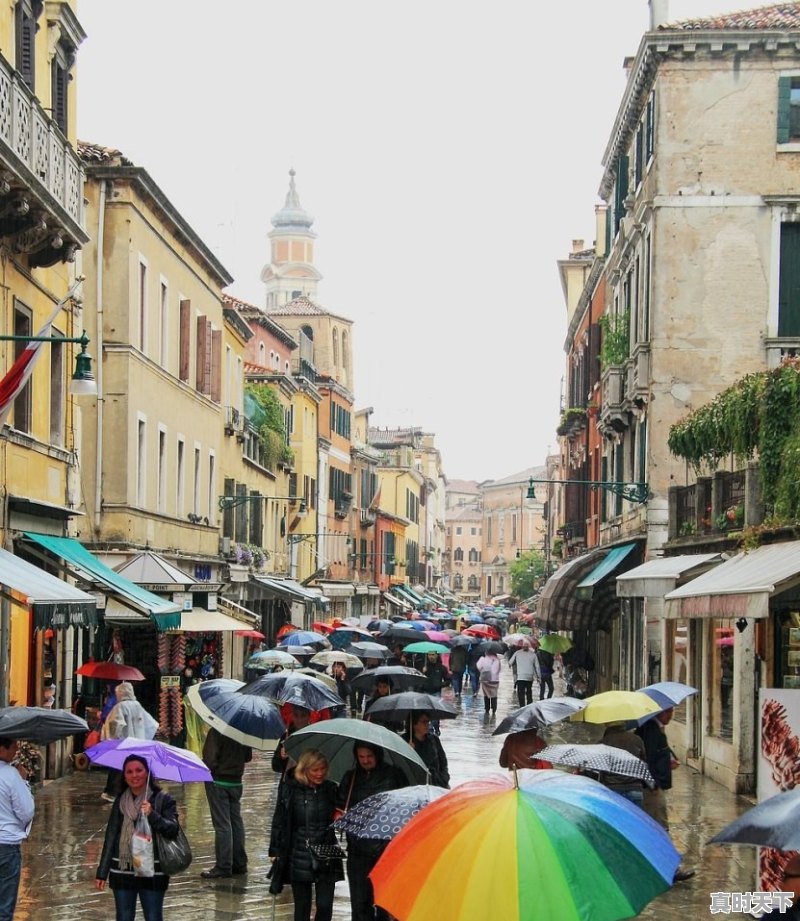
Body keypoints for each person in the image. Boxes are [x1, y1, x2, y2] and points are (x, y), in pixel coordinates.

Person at [95, 754, 180, 921]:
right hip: (122, 868)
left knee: (153, 916)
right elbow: (111, 835)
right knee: (123, 916)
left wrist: (152, 815)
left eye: (139, 770)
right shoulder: (120, 801)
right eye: (129, 772)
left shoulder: (163, 799)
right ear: (124, 776)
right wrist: (102, 872)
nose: (134, 775)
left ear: (147, 773)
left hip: (153, 870)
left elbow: (173, 829)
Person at [269, 749, 343, 921]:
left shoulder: (331, 789)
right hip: (299, 852)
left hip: (326, 852)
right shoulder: (291, 789)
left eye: (323, 769)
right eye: (315, 770)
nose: (320, 774)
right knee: (302, 908)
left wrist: (340, 814)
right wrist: (274, 849)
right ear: (304, 770)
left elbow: (342, 808)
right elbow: (279, 819)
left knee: (325, 905)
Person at [336, 743, 407, 921]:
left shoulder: (394, 775)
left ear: (377, 754)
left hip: (386, 849)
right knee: (360, 903)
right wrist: (339, 815)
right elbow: (339, 805)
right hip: (357, 850)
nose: (365, 760)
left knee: (384, 903)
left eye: (369, 756)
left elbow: (405, 806)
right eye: (361, 757)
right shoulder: (350, 778)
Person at [636, 708, 695, 882]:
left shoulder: (651, 730)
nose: (671, 716)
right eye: (668, 712)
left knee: (653, 827)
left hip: (651, 786)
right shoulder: (652, 732)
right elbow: (649, 760)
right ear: (659, 713)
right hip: (652, 789)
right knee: (660, 827)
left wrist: (667, 763)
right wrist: (653, 782)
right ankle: (670, 869)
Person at [200, 727, 252, 879]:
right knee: (236, 822)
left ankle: (223, 865)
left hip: (219, 781)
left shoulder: (217, 731)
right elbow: (247, 756)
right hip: (236, 782)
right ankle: (239, 863)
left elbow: (209, 759)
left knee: (222, 824)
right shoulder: (243, 731)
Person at [100, 682, 159, 802]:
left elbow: (115, 724)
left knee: (117, 767)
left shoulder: (120, 707)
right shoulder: (137, 705)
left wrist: (111, 739)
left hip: (123, 744)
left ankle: (112, 792)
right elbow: (151, 723)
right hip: (137, 743)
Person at [0, 737, 35, 921]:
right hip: (6, 847)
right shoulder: (11, 775)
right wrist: (24, 781)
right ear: (2, 749)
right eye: (13, 747)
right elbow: (27, 811)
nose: (16, 751)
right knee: (4, 908)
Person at [600, 723, 648, 807]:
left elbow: (599, 767)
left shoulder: (604, 742)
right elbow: (644, 762)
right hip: (635, 788)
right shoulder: (637, 739)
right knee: (634, 819)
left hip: (613, 789)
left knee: (616, 819)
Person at [409, 711, 450, 788]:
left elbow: (443, 762)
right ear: (414, 724)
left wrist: (443, 780)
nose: (428, 724)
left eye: (428, 721)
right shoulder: (404, 741)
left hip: (437, 784)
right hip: (416, 786)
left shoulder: (434, 740)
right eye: (424, 722)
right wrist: (409, 752)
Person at [272, 704, 312, 777]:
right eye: (296, 715)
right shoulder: (286, 736)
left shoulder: (314, 737)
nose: (299, 720)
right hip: (288, 784)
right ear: (292, 716)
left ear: (309, 717)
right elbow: (275, 767)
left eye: (303, 716)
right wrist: (281, 757)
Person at [508, 641, 541, 708]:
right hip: (529, 677)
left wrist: (510, 665)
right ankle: (529, 706)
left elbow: (510, 662)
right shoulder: (533, 654)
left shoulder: (517, 653)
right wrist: (539, 677)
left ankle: (522, 707)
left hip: (520, 676)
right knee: (529, 692)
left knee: (521, 693)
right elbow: (537, 667)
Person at [475, 648, 501, 716]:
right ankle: (494, 708)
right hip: (495, 680)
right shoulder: (497, 660)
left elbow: (478, 667)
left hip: (485, 679)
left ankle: (487, 708)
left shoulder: (483, 659)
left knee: (486, 694)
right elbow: (499, 670)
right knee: (494, 694)